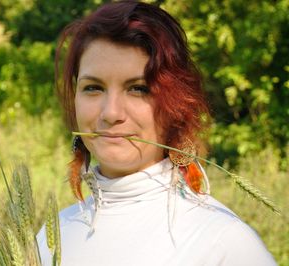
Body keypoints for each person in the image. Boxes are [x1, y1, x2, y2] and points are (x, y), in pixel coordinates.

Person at [37, 1, 277, 265]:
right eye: (93, 88)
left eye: (139, 89)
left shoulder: (223, 242)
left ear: (177, 105)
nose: (110, 112)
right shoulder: (53, 235)